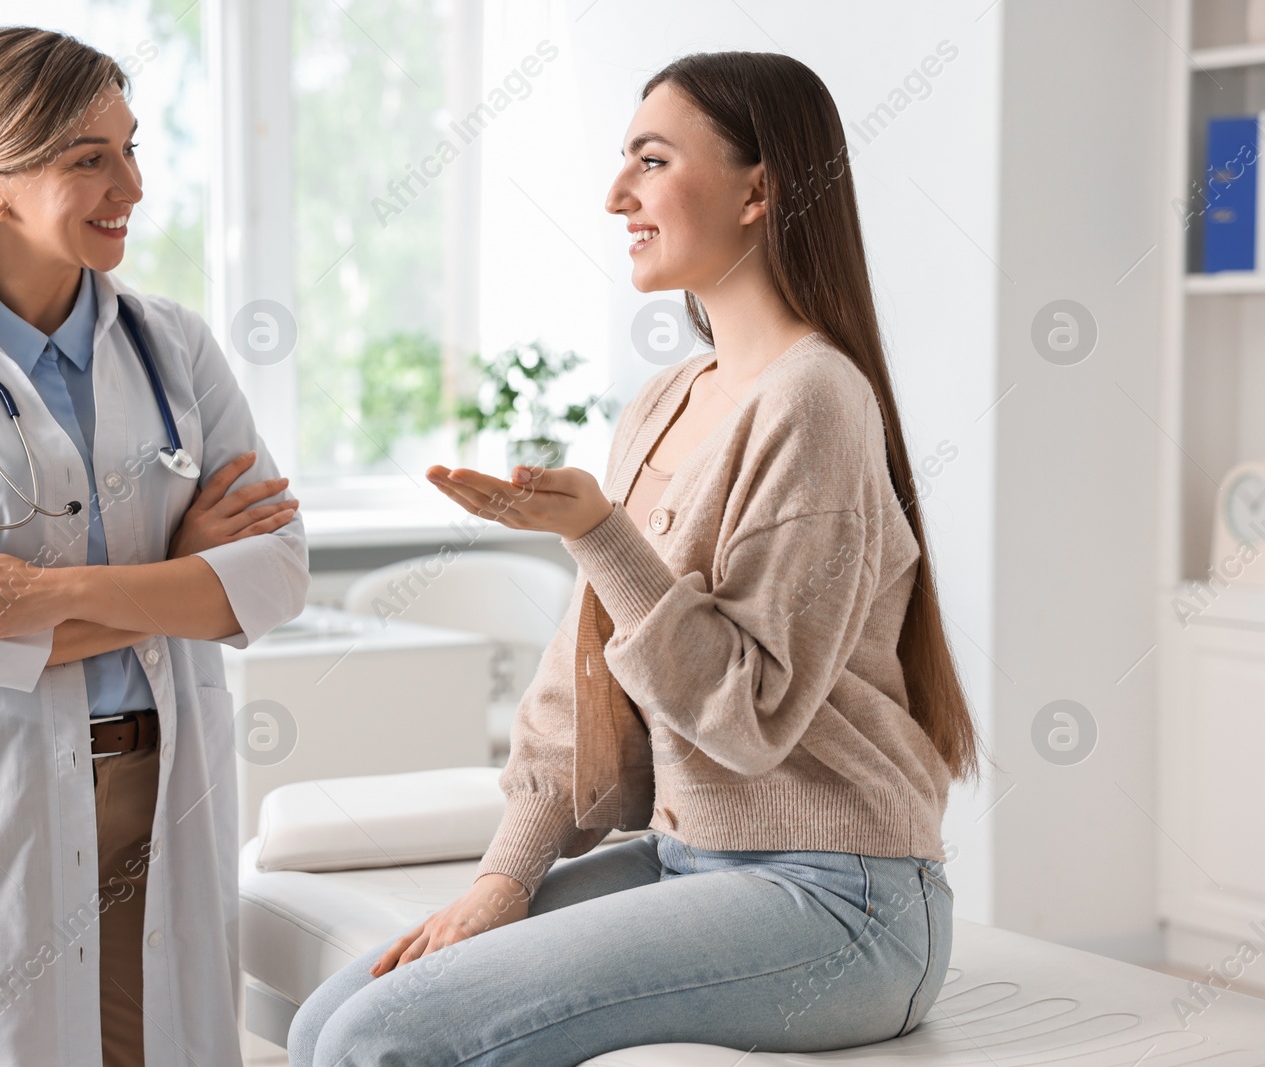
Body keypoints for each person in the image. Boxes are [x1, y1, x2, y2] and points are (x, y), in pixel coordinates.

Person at [287, 50, 985, 1065]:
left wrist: (601, 534)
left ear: (759, 189)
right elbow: (580, 701)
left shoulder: (815, 401)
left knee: (381, 1039)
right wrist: (504, 877)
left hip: (842, 899)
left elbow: (746, 719)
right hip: (681, 856)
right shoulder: (659, 403)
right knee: (325, 1021)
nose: (617, 193)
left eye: (651, 161)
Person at [0, 27, 307, 1067]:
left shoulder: (174, 343)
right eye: (88, 157)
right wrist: (181, 574)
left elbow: (276, 574)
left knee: (143, 1046)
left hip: (161, 778)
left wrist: (45, 591)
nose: (128, 184)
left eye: (131, 150)